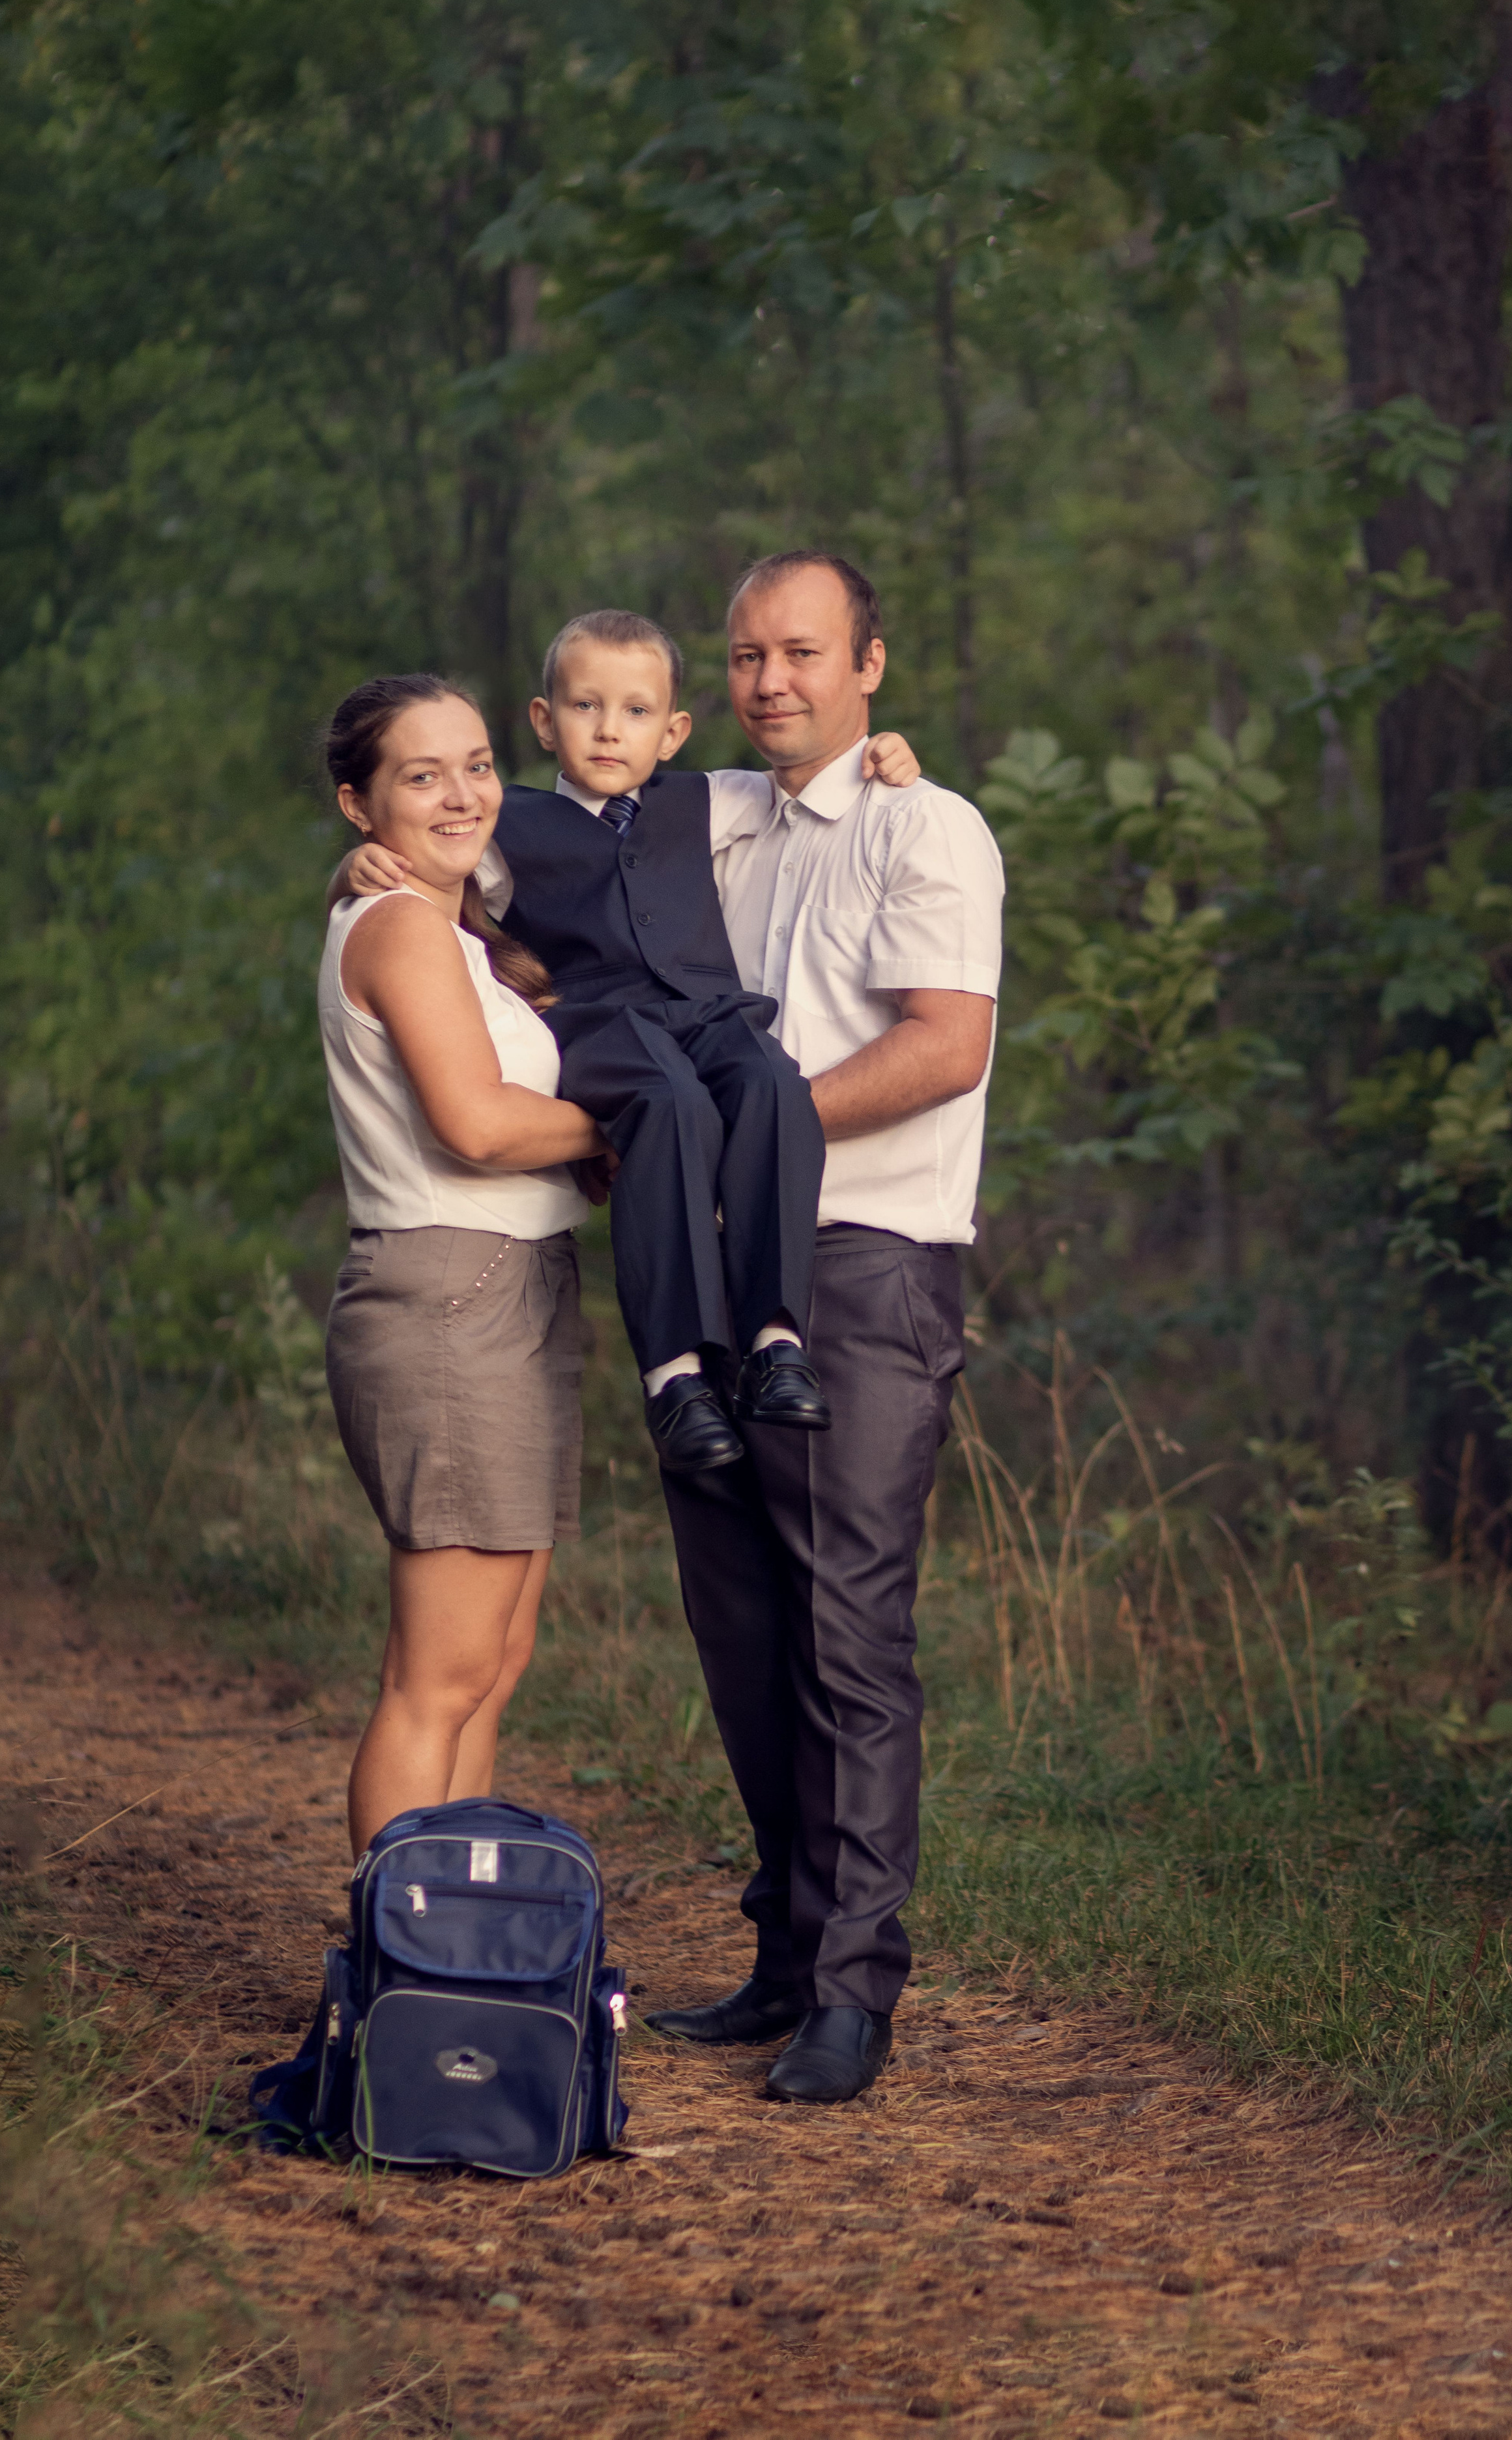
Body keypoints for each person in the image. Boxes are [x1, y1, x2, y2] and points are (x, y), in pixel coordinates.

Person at [643, 551, 1005, 2106]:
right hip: (713, 1274)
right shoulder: (712, 818)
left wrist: (752, 1134)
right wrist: (384, 874)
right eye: (745, 656)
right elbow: (536, 841)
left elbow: (943, 1047)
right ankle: (787, 1957)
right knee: (741, 1625)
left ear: (869, 664)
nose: (769, 680)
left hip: (862, 1264)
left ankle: (854, 1993)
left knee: (845, 1627)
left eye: (801, 652)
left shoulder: (927, 827)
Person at [332, 609, 924, 1477]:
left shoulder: (710, 799)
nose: (611, 730)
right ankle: (675, 1374)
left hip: (708, 1014)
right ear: (544, 721)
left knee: (774, 1086)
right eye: (586, 707)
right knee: (668, 1104)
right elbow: (422, 871)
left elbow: (816, 778)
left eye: (637, 712)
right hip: (600, 1027)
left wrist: (885, 754)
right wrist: (350, 868)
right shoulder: (503, 824)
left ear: (673, 732)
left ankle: (775, 1339)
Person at [317, 673, 606, 1855]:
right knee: (437, 1677)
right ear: (361, 804)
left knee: (490, 1665)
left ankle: (454, 1933)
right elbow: (478, 1126)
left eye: (478, 765)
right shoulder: (398, 927)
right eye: (421, 775)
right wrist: (640, 1124)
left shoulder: (457, 924)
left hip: (514, 1285)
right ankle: (393, 1949)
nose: (462, 795)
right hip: (449, 1294)